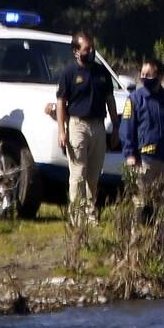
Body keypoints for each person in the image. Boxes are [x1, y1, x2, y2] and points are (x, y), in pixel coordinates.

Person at [120, 58, 164, 247]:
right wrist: (130, 154)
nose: (144, 77)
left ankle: (160, 240)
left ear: (160, 76)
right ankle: (134, 239)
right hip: (143, 160)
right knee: (139, 202)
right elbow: (127, 128)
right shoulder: (135, 99)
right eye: (142, 74)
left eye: (149, 75)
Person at [56, 31, 120, 223]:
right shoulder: (69, 73)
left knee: (93, 174)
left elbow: (110, 99)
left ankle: (91, 215)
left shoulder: (102, 73)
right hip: (77, 125)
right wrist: (62, 131)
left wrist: (115, 126)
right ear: (76, 51)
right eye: (86, 49)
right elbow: (61, 103)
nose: (90, 52)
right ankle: (77, 216)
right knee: (78, 173)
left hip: (98, 126)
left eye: (92, 48)